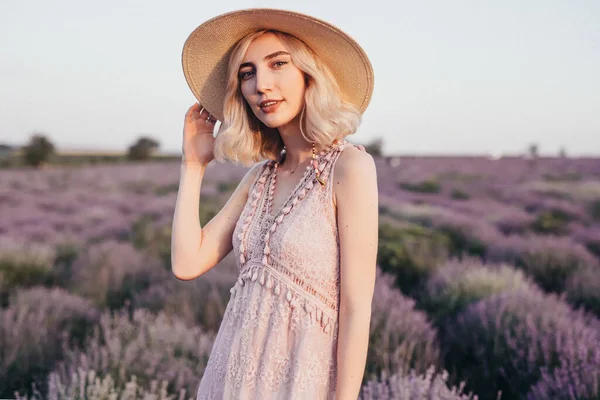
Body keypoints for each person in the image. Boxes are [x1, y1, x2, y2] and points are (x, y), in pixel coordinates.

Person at [171, 8, 379, 400]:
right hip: (230, 380)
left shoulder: (350, 168)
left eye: (277, 64)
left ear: (308, 73)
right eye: (247, 73)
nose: (260, 85)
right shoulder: (260, 178)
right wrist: (193, 166)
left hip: (300, 384)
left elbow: (356, 309)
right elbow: (186, 262)